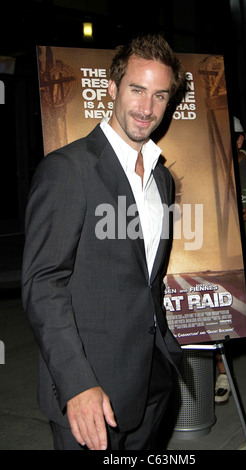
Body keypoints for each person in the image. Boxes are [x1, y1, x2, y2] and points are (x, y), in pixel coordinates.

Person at [22, 34, 185, 451]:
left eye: (160, 95)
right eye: (136, 90)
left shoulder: (161, 179)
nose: (147, 108)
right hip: (92, 397)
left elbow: (145, 277)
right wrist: (77, 385)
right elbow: (43, 285)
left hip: (152, 384)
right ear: (112, 89)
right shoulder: (67, 170)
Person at [215, 117, 246, 403]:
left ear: (240, 140)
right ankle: (224, 374)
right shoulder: (211, 167)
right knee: (222, 319)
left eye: (229, 138)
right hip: (223, 260)